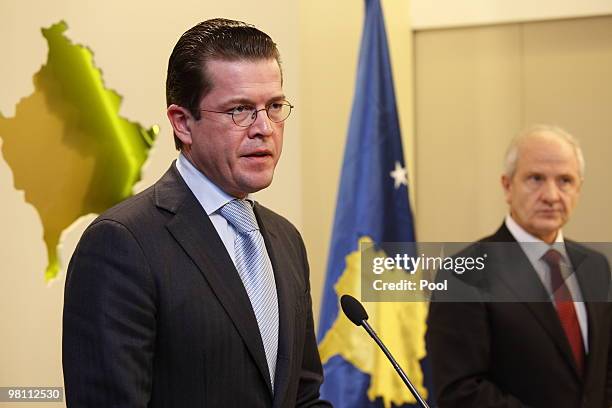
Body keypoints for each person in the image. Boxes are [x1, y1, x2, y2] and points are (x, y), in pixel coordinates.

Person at [63, 18, 330, 407]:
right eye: (240, 110)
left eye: (274, 107)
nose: (265, 128)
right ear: (183, 123)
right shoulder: (121, 243)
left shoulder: (285, 239)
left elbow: (303, 397)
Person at [426, 125, 612, 408]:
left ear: (579, 189)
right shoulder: (464, 273)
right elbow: (460, 391)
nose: (551, 195)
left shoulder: (596, 267)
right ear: (507, 186)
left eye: (565, 181)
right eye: (535, 179)